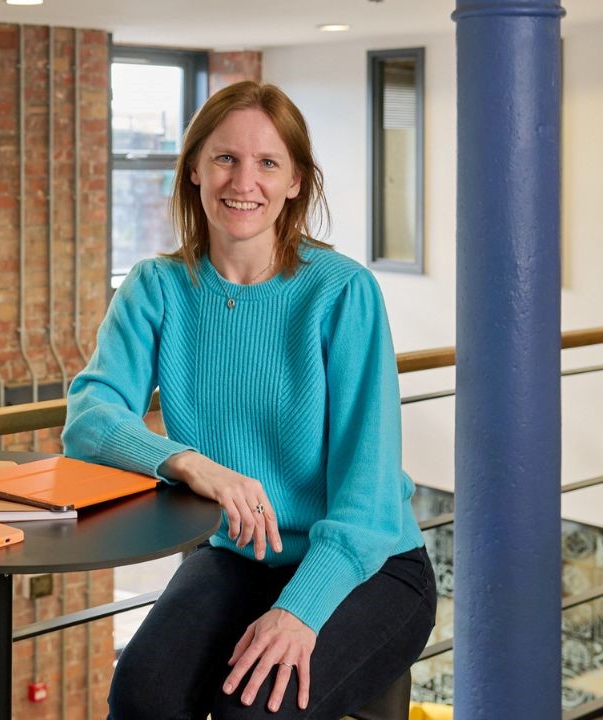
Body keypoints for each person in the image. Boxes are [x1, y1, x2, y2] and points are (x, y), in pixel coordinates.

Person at [62, 81, 436, 719]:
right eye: (225, 158)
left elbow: (369, 499)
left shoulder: (341, 291)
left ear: (295, 182)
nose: (244, 181)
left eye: (268, 163)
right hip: (239, 552)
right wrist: (190, 463)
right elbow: (90, 422)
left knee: (252, 712)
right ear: (193, 170)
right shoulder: (156, 287)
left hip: (367, 564)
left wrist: (299, 611)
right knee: (141, 694)